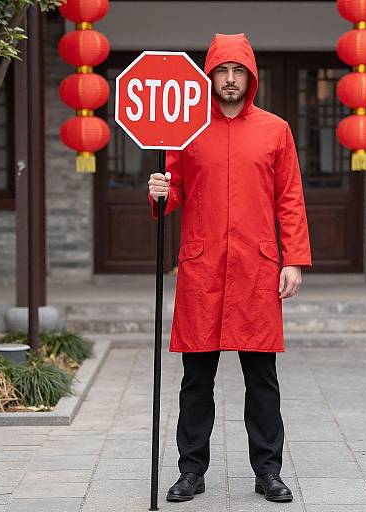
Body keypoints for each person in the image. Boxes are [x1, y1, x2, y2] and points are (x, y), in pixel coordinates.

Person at [147, 33, 312, 503]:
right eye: (223, 71)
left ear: (252, 77)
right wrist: (160, 191)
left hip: (256, 269)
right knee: (196, 377)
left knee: (261, 376)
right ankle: (190, 471)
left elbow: (290, 199)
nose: (231, 80)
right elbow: (173, 193)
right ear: (210, 75)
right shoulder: (186, 129)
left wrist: (294, 259)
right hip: (202, 268)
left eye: (240, 71)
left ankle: (268, 470)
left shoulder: (275, 130)